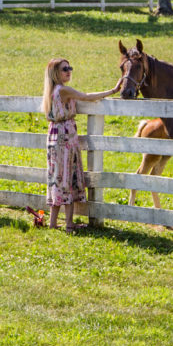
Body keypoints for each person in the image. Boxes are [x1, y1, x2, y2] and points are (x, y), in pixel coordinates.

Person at [42, 59, 122, 232]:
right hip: (65, 138)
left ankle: (53, 222)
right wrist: (113, 90)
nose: (69, 71)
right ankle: (69, 224)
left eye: (70, 68)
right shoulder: (63, 90)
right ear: (56, 72)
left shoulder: (51, 91)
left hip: (55, 136)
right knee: (68, 178)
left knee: (57, 178)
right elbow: (86, 97)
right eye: (65, 69)